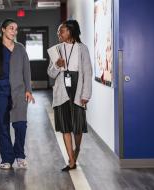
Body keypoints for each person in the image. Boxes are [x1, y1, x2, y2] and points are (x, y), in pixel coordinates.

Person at [0, 18, 35, 170]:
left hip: (18, 92)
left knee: (20, 125)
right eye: (11, 28)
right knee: (3, 127)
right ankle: (7, 158)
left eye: (16, 29)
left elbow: (27, 70)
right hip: (0, 93)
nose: (14, 31)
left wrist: (28, 90)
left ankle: (20, 155)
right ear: (3, 30)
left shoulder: (20, 49)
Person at [47, 20, 92, 171]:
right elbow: (51, 74)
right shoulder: (57, 49)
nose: (58, 33)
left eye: (62, 30)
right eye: (58, 31)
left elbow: (87, 72)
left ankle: (77, 148)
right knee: (65, 127)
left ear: (71, 32)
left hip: (77, 89)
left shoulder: (82, 49)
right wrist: (57, 65)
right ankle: (71, 160)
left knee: (77, 128)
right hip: (62, 92)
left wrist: (86, 94)